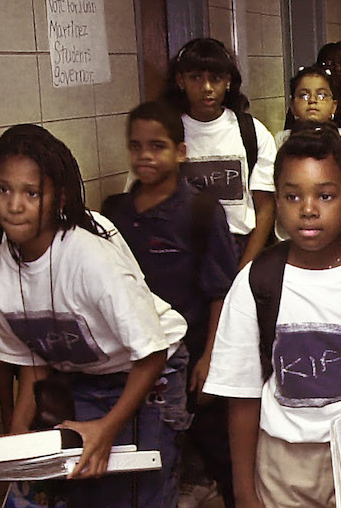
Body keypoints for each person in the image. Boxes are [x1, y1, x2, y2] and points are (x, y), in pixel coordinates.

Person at [0, 124, 190, 507]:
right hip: (89, 376)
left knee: (139, 495)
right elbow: (32, 364)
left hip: (152, 369)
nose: (14, 205)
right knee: (87, 487)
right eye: (4, 189)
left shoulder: (89, 257)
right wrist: (18, 437)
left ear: (59, 197)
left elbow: (152, 353)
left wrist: (106, 429)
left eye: (31, 193)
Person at [203, 123, 341, 508]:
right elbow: (242, 397)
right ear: (277, 203)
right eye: (292, 196)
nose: (308, 210)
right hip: (284, 462)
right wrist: (245, 493)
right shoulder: (256, 283)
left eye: (326, 196)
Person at [100, 101, 242, 507]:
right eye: (136, 146)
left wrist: (211, 357)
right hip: (135, 358)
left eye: (157, 146)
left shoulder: (200, 211)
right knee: (146, 459)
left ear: (181, 152)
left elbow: (221, 292)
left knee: (218, 451)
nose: (145, 156)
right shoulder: (116, 212)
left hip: (193, 352)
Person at [164, 37, 278, 269]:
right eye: (196, 78)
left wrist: (245, 268)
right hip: (182, 249)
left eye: (215, 79)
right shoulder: (167, 132)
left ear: (228, 82)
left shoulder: (251, 132)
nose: (206, 88)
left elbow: (265, 207)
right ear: (180, 81)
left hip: (239, 247)